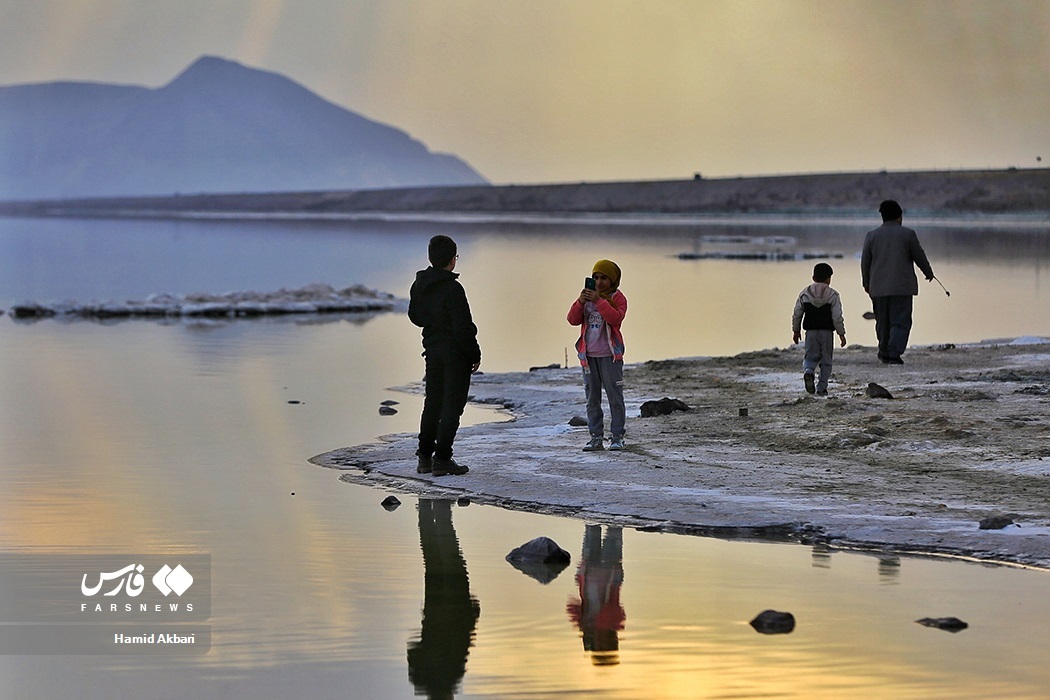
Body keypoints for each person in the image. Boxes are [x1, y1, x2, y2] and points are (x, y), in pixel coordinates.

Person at [408, 235, 482, 476]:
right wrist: (474, 353)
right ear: (452, 260)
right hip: (456, 355)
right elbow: (463, 326)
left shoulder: (419, 284)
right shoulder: (453, 288)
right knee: (452, 406)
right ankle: (442, 459)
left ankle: (424, 458)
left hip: (432, 350)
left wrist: (433, 322)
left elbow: (415, 317)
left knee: (433, 403)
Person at [860, 200, 935, 364]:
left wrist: (866, 283)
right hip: (902, 287)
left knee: (882, 322)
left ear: (883, 217)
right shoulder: (908, 234)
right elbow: (919, 256)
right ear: (900, 216)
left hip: (878, 287)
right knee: (900, 321)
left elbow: (865, 262)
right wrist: (929, 273)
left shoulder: (872, 235)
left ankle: (884, 351)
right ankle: (893, 352)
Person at [567, 260, 628, 451]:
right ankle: (595, 438)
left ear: (613, 280)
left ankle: (617, 437)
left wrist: (599, 301)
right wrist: (581, 302)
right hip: (588, 356)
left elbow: (615, 318)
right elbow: (572, 320)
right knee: (592, 399)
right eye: (595, 277)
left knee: (615, 398)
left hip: (610, 356)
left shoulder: (618, 298)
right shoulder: (587, 299)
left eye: (603, 278)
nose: (599, 282)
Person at [792, 262, 847, 396]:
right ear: (829, 278)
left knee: (810, 357)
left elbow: (797, 313)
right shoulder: (833, 295)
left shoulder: (805, 293)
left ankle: (808, 372)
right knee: (826, 360)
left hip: (810, 332)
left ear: (813, 277)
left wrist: (796, 330)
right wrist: (841, 333)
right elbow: (837, 316)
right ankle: (821, 387)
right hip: (827, 332)